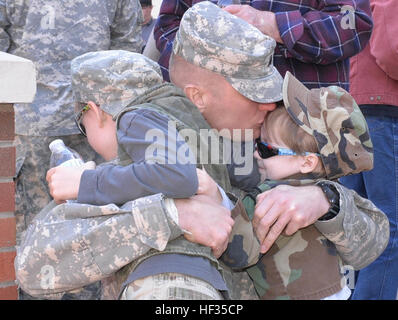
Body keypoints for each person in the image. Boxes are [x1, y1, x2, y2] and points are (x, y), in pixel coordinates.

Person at [15, 2, 389, 300]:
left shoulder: (239, 143)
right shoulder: (139, 139)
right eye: (254, 94)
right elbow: (34, 263)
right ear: (198, 96)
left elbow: (374, 237)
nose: (269, 104)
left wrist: (323, 199)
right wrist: (171, 216)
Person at [0, 0, 144, 300]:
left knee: (79, 242)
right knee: (49, 246)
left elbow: (126, 47)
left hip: (88, 129)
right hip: (55, 128)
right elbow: (127, 47)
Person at [200, 71, 382, 299]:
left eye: (266, 149)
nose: (256, 152)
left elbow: (235, 253)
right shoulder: (325, 184)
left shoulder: (267, 196)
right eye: (258, 143)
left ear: (307, 162)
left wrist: (216, 199)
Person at [154, 0, 373, 89]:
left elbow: (353, 23)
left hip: (297, 132)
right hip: (206, 127)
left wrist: (270, 24)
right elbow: (169, 24)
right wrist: (195, 66)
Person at [339, 0, 398, 300]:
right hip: (382, 111)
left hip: (350, 107)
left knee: (355, 220)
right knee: (388, 225)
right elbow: (391, 50)